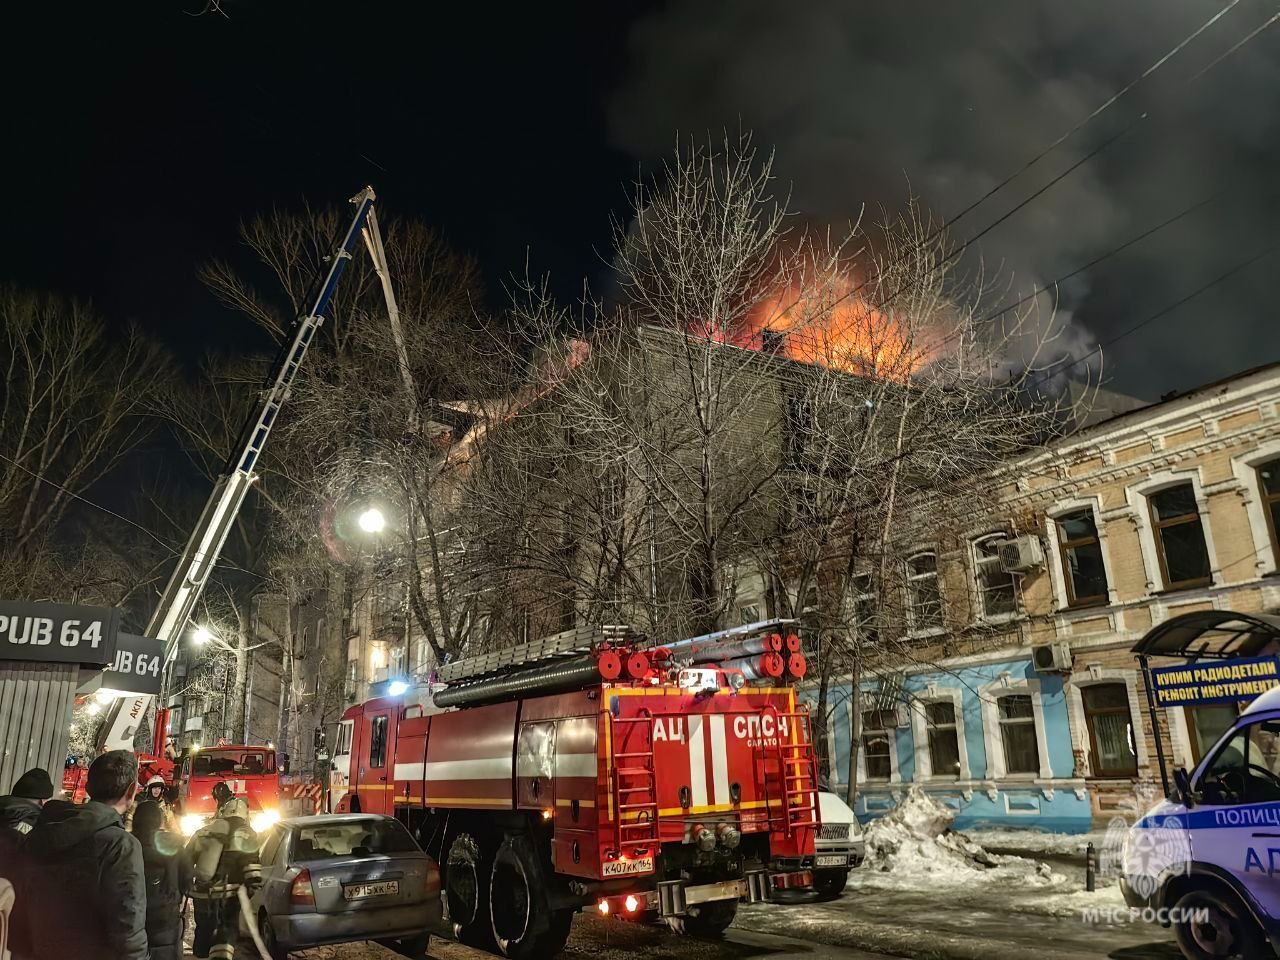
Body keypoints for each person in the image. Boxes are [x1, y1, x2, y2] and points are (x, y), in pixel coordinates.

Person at [17, 749, 148, 960]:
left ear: (88, 786)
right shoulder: (120, 845)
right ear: (131, 791)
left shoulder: (42, 830)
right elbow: (128, 926)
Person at [188, 789, 261, 960]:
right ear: (245, 816)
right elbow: (252, 871)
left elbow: (185, 862)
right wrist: (250, 890)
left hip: (201, 896)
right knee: (224, 935)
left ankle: (201, 955)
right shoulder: (246, 833)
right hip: (228, 898)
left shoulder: (202, 832)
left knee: (203, 933)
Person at [132, 799, 192, 960]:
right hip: (166, 922)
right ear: (159, 820)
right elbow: (188, 881)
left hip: (131, 921)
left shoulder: (127, 844)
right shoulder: (174, 845)